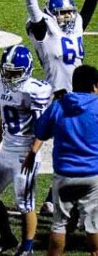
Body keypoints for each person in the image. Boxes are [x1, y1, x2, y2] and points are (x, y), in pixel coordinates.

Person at [0, 45, 51, 256]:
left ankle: (26, 248)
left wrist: (33, 154)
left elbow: (42, 128)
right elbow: (3, 116)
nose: (9, 77)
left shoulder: (35, 90)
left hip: (25, 153)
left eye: (14, 73)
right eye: (7, 72)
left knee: (25, 203)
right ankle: (7, 238)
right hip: (7, 150)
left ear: (26, 70)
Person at [34, 64, 98, 256]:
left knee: (59, 224)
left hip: (64, 175)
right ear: (95, 86)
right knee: (93, 225)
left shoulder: (59, 106)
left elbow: (40, 132)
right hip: (92, 174)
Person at [17, 0, 96, 97]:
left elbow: (88, 8)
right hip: (54, 98)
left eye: (70, 12)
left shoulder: (76, 27)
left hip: (78, 97)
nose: (67, 16)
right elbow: (33, 10)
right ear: (51, 15)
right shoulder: (46, 32)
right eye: (62, 13)